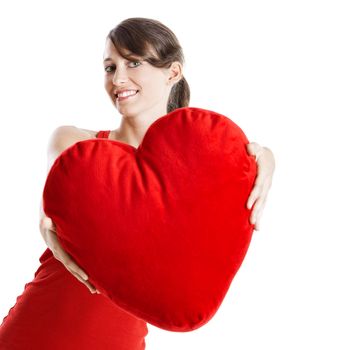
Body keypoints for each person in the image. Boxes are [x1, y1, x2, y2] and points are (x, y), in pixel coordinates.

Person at [0, 17, 275, 349]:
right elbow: (53, 206)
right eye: (109, 66)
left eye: (133, 62)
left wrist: (264, 158)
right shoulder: (75, 142)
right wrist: (46, 227)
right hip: (37, 329)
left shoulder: (203, 164)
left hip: (122, 340)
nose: (118, 78)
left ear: (172, 72)